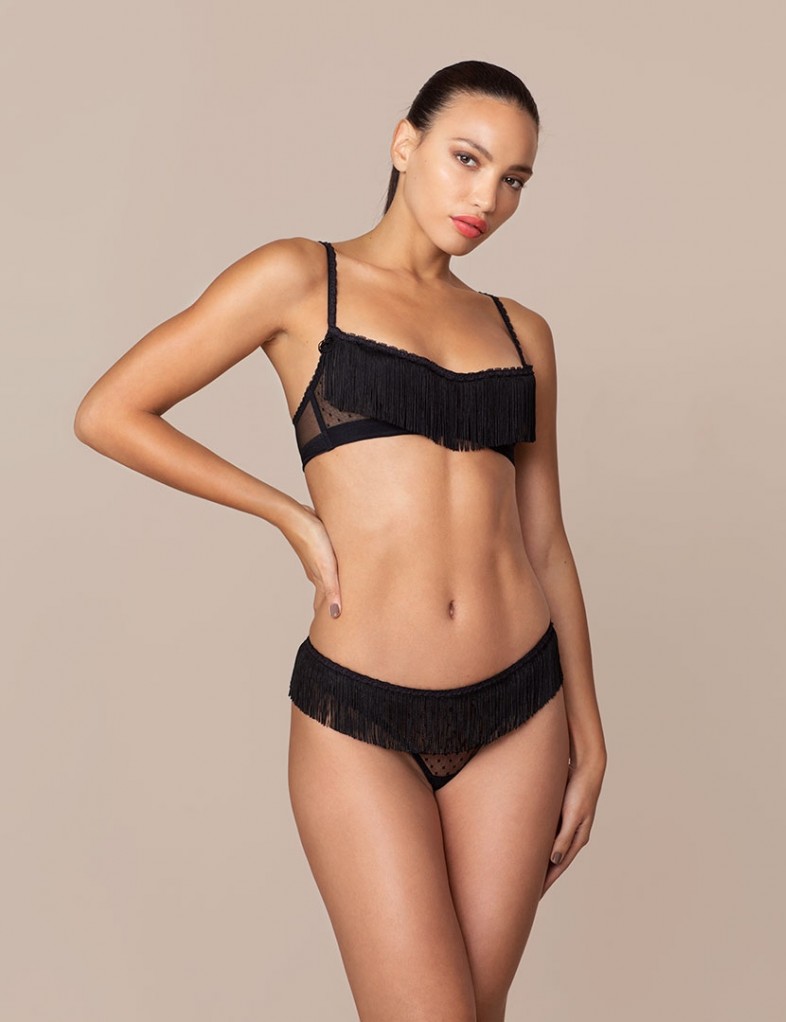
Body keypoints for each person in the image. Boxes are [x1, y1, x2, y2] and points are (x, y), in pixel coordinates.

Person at [74, 59, 607, 1022]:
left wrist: (591, 735)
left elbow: (547, 543)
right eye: (467, 159)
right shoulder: (297, 279)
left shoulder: (522, 332)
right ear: (404, 143)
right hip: (360, 716)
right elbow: (110, 412)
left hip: (522, 710)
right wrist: (287, 514)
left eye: (514, 179)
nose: (487, 198)